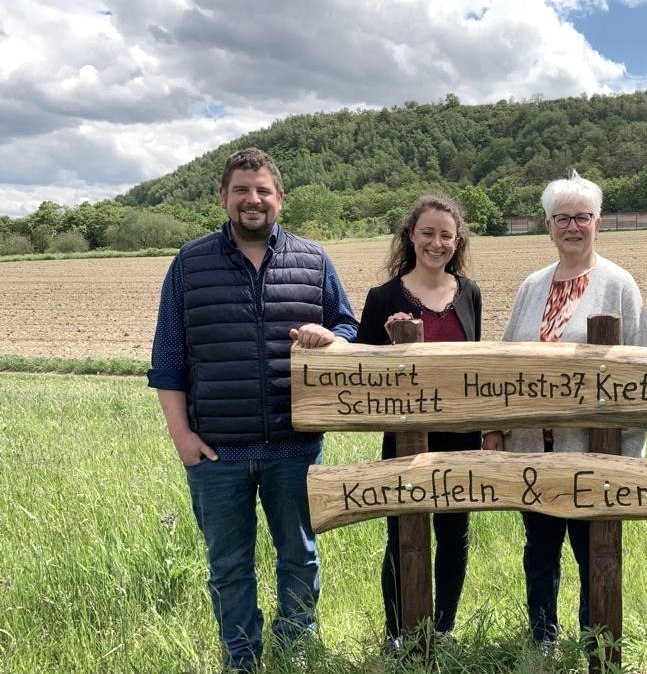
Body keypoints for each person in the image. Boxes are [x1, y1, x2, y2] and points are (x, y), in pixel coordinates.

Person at [148, 147, 359, 673]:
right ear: (223, 196)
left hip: (295, 445)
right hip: (216, 451)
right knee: (228, 567)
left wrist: (331, 337)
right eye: (241, 189)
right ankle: (241, 659)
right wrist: (182, 437)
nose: (253, 199)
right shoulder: (189, 264)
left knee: (300, 556)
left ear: (280, 197)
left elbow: (348, 326)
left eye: (263, 189)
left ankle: (295, 651)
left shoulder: (313, 260)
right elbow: (168, 360)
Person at [483, 171, 647, 650]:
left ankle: (596, 640)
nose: (572, 227)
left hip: (593, 451)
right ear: (548, 226)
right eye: (562, 218)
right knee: (540, 550)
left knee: (593, 551)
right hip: (533, 450)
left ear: (599, 223)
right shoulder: (531, 286)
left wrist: (627, 455)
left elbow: (642, 372)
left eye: (582, 217)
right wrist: (495, 429)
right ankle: (543, 638)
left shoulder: (619, 284)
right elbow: (505, 363)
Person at [355, 194, 483, 653]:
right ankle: (398, 633)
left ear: (457, 240)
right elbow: (362, 374)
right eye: (427, 233)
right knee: (402, 537)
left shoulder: (470, 292)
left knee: (453, 536)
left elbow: (476, 368)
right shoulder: (382, 298)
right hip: (404, 440)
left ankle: (442, 631)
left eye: (446, 235)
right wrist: (391, 346)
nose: (437, 242)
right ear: (411, 235)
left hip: (461, 437)